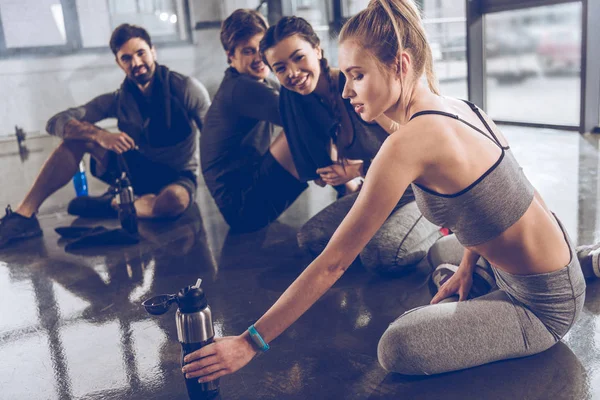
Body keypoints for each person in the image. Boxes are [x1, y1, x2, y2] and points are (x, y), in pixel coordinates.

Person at [180, 0, 585, 380]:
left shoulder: (405, 144)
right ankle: (575, 264)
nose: (345, 90)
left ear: (400, 64)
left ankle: (575, 269)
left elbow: (334, 263)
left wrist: (249, 342)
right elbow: (511, 199)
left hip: (542, 306)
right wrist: (465, 269)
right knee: (444, 253)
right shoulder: (460, 105)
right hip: (552, 264)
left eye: (358, 75)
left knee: (397, 347)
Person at [0, 24, 210, 249]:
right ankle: (24, 216)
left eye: (141, 53)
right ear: (119, 63)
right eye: (127, 58)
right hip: (138, 171)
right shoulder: (118, 100)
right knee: (78, 138)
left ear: (153, 51)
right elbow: (56, 121)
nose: (136, 63)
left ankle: (115, 202)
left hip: (179, 176)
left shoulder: (187, 88)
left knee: (173, 203)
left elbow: (214, 138)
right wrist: (99, 135)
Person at [260, 16, 441, 274]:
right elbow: (332, 170)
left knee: (383, 253)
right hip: (378, 192)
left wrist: (357, 171)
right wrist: (342, 176)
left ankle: (439, 225)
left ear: (317, 50)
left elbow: (414, 149)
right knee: (311, 238)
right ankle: (380, 232)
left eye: (298, 57)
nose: (292, 73)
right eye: (280, 68)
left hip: (418, 190)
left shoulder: (356, 87)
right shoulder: (303, 106)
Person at [201, 9, 307, 232]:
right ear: (231, 56)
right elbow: (301, 113)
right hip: (243, 206)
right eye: (248, 51)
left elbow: (296, 96)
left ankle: (351, 186)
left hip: (246, 197)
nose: (259, 58)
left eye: (260, 49)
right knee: (302, 125)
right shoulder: (240, 88)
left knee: (304, 120)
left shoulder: (258, 82)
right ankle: (352, 188)